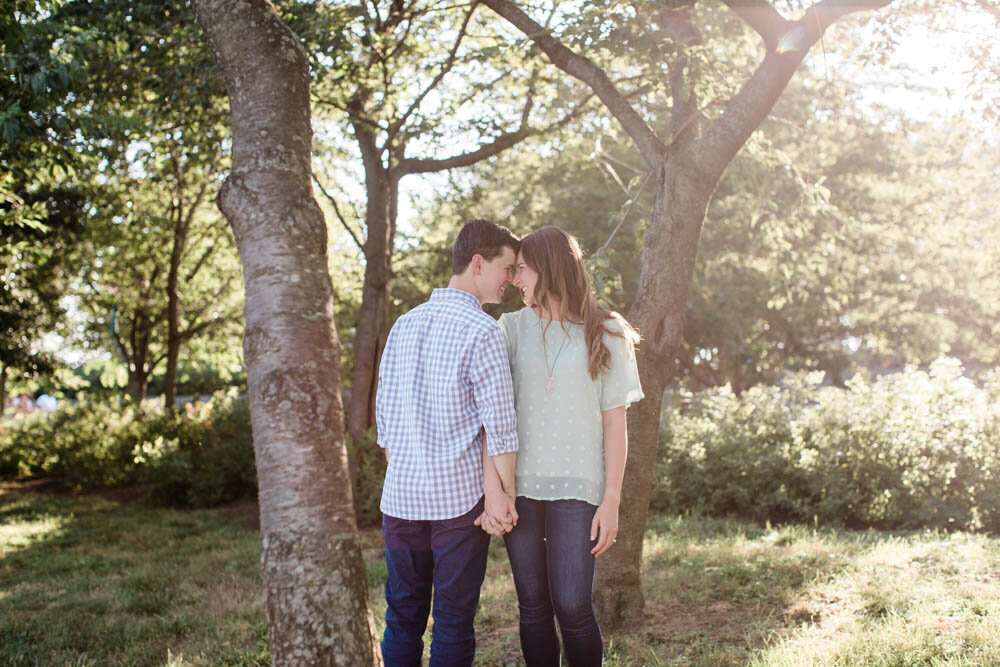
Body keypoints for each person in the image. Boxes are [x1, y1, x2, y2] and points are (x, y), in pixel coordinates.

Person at [477, 226, 643, 667]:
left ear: (548, 269)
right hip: (522, 488)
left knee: (572, 606)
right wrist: (496, 486)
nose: (516, 279)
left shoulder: (608, 331)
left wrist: (611, 501)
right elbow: (489, 414)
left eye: (524, 269)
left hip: (578, 489)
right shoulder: (509, 328)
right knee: (533, 608)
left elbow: (615, 424)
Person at [375, 218, 522, 667]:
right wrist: (507, 497)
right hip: (460, 509)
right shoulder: (483, 331)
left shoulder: (404, 324)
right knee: (454, 622)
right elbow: (500, 430)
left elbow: (384, 425)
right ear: (478, 263)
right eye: (508, 268)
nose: (513, 281)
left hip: (400, 502)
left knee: (402, 619)